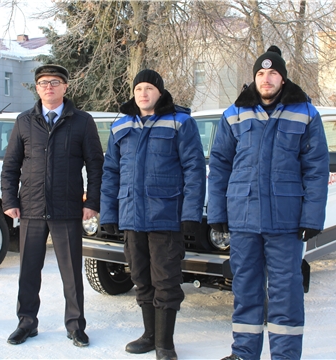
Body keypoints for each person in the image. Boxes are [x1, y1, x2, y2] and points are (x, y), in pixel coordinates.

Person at [208, 46, 330, 360]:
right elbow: (220, 165)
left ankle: (285, 355)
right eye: (261, 73)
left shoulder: (305, 113)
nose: (266, 78)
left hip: (286, 221)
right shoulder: (234, 114)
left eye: (273, 73)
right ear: (254, 79)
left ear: (282, 78)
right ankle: (244, 353)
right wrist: (218, 213)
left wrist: (312, 217)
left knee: (285, 293)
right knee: (245, 289)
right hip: (244, 218)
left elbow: (316, 168)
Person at [100, 69, 206, 360]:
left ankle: (165, 343)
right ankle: (149, 336)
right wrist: (108, 213)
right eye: (138, 89)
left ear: (160, 92)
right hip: (132, 217)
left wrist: (190, 216)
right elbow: (111, 172)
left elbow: (194, 172)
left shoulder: (180, 122)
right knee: (140, 277)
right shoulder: (121, 125)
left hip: (166, 216)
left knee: (166, 280)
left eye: (149, 88)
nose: (143, 93)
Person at [1, 64, 103, 347]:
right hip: (31, 208)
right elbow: (10, 166)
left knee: (71, 273)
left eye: (55, 82)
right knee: (28, 272)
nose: (49, 87)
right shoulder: (24, 121)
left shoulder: (82, 122)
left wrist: (92, 202)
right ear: (37, 88)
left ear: (65, 87)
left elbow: (96, 166)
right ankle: (26, 323)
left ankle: (75, 326)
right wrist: (9, 200)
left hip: (67, 208)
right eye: (44, 82)